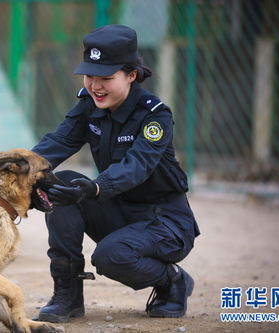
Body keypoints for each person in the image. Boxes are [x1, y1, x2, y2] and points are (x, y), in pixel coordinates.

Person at [32, 24, 200, 323]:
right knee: (61, 185)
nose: (96, 86)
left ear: (131, 75)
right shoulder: (89, 104)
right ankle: (67, 295)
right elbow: (58, 142)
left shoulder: (154, 115)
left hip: (163, 221)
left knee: (111, 256)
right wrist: (14, 172)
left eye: (106, 78)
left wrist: (94, 188)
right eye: (90, 76)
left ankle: (172, 280)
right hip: (119, 212)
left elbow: (136, 167)